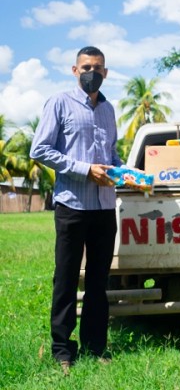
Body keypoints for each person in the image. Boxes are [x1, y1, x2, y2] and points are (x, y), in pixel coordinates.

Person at [30, 46, 122, 375]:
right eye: (86, 67)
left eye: (97, 68)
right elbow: (39, 148)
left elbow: (111, 154)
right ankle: (62, 350)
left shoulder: (109, 109)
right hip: (72, 204)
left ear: (106, 73)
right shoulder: (59, 103)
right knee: (66, 279)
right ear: (74, 70)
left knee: (99, 280)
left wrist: (127, 173)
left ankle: (96, 346)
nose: (91, 72)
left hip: (104, 208)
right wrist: (85, 170)